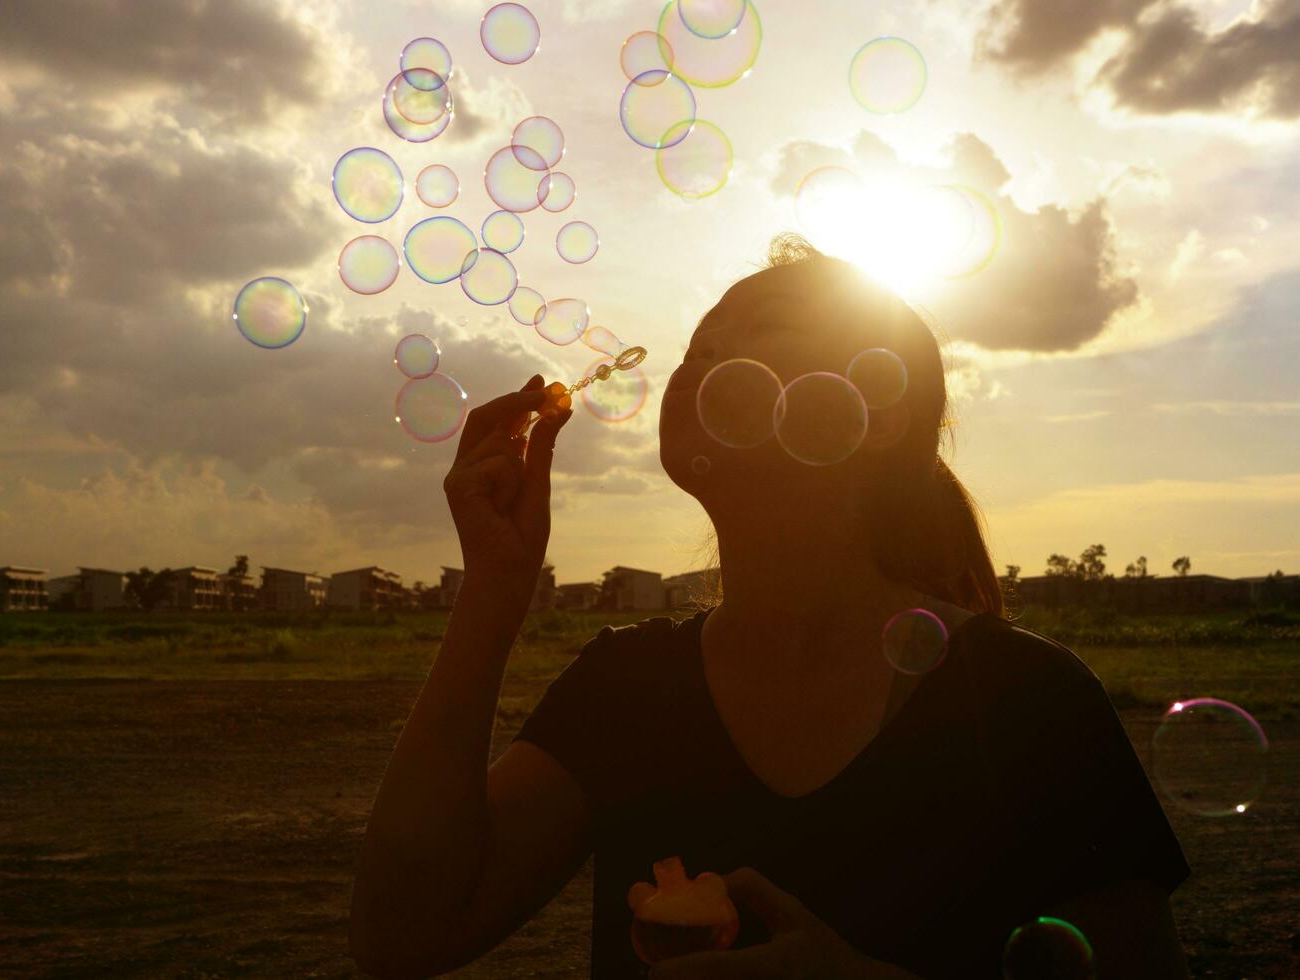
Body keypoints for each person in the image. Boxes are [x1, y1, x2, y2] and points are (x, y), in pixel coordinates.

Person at [350, 236, 1191, 979]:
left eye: (762, 336)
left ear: (879, 412)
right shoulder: (626, 687)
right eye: (699, 346)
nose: (705, 361)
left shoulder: (1027, 702)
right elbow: (403, 936)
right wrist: (495, 591)